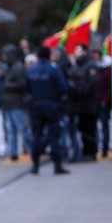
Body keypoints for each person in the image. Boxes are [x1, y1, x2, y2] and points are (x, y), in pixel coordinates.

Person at [26, 45, 70, 175]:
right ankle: (57, 164)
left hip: (36, 105)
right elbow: (63, 87)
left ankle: (35, 164)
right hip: (52, 104)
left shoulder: (31, 70)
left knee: (36, 135)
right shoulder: (53, 70)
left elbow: (27, 89)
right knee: (54, 135)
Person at [1, 43, 33, 161]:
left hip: (17, 103)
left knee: (22, 128)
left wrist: (6, 84)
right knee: (11, 130)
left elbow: (22, 84)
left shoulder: (18, 67)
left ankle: (32, 149)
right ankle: (13, 152)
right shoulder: (10, 67)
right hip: (9, 103)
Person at [92, 49, 112, 158]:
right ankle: (95, 147)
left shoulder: (106, 70)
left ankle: (105, 148)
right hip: (94, 102)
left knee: (104, 125)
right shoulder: (93, 68)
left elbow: (109, 87)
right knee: (94, 126)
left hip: (104, 102)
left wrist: (106, 99)